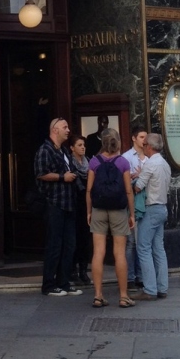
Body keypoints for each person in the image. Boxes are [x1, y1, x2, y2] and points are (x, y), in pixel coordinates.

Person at [86, 129, 135, 308]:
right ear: (118, 141)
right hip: (118, 211)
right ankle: (123, 296)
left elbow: (89, 190)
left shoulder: (94, 161)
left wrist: (89, 212)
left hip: (99, 209)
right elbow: (128, 191)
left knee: (98, 252)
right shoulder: (123, 162)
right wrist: (131, 214)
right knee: (119, 253)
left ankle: (98, 296)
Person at [33, 118, 82, 296]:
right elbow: (41, 174)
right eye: (64, 127)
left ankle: (64, 282)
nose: (68, 130)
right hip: (54, 203)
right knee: (54, 245)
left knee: (69, 245)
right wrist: (62, 177)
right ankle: (48, 285)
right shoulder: (45, 150)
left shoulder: (64, 150)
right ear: (55, 130)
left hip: (69, 204)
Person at [135, 133, 171, 300]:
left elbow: (138, 187)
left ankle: (149, 289)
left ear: (149, 146)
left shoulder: (150, 164)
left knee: (143, 248)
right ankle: (162, 287)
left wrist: (135, 178)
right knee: (158, 248)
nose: (143, 147)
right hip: (162, 207)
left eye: (144, 145)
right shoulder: (164, 163)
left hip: (151, 208)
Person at [122, 122, 148, 288]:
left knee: (143, 242)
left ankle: (141, 275)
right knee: (131, 242)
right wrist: (137, 177)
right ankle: (130, 277)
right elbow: (125, 181)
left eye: (146, 137)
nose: (144, 140)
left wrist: (141, 176)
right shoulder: (126, 157)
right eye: (141, 137)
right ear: (134, 138)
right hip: (131, 205)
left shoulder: (149, 158)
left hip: (147, 204)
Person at [68, 135, 92, 287]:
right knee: (74, 238)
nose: (83, 147)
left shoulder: (88, 161)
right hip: (74, 203)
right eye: (79, 145)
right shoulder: (69, 162)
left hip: (87, 205)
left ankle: (83, 270)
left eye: (83, 145)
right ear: (72, 148)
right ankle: (73, 270)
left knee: (85, 238)